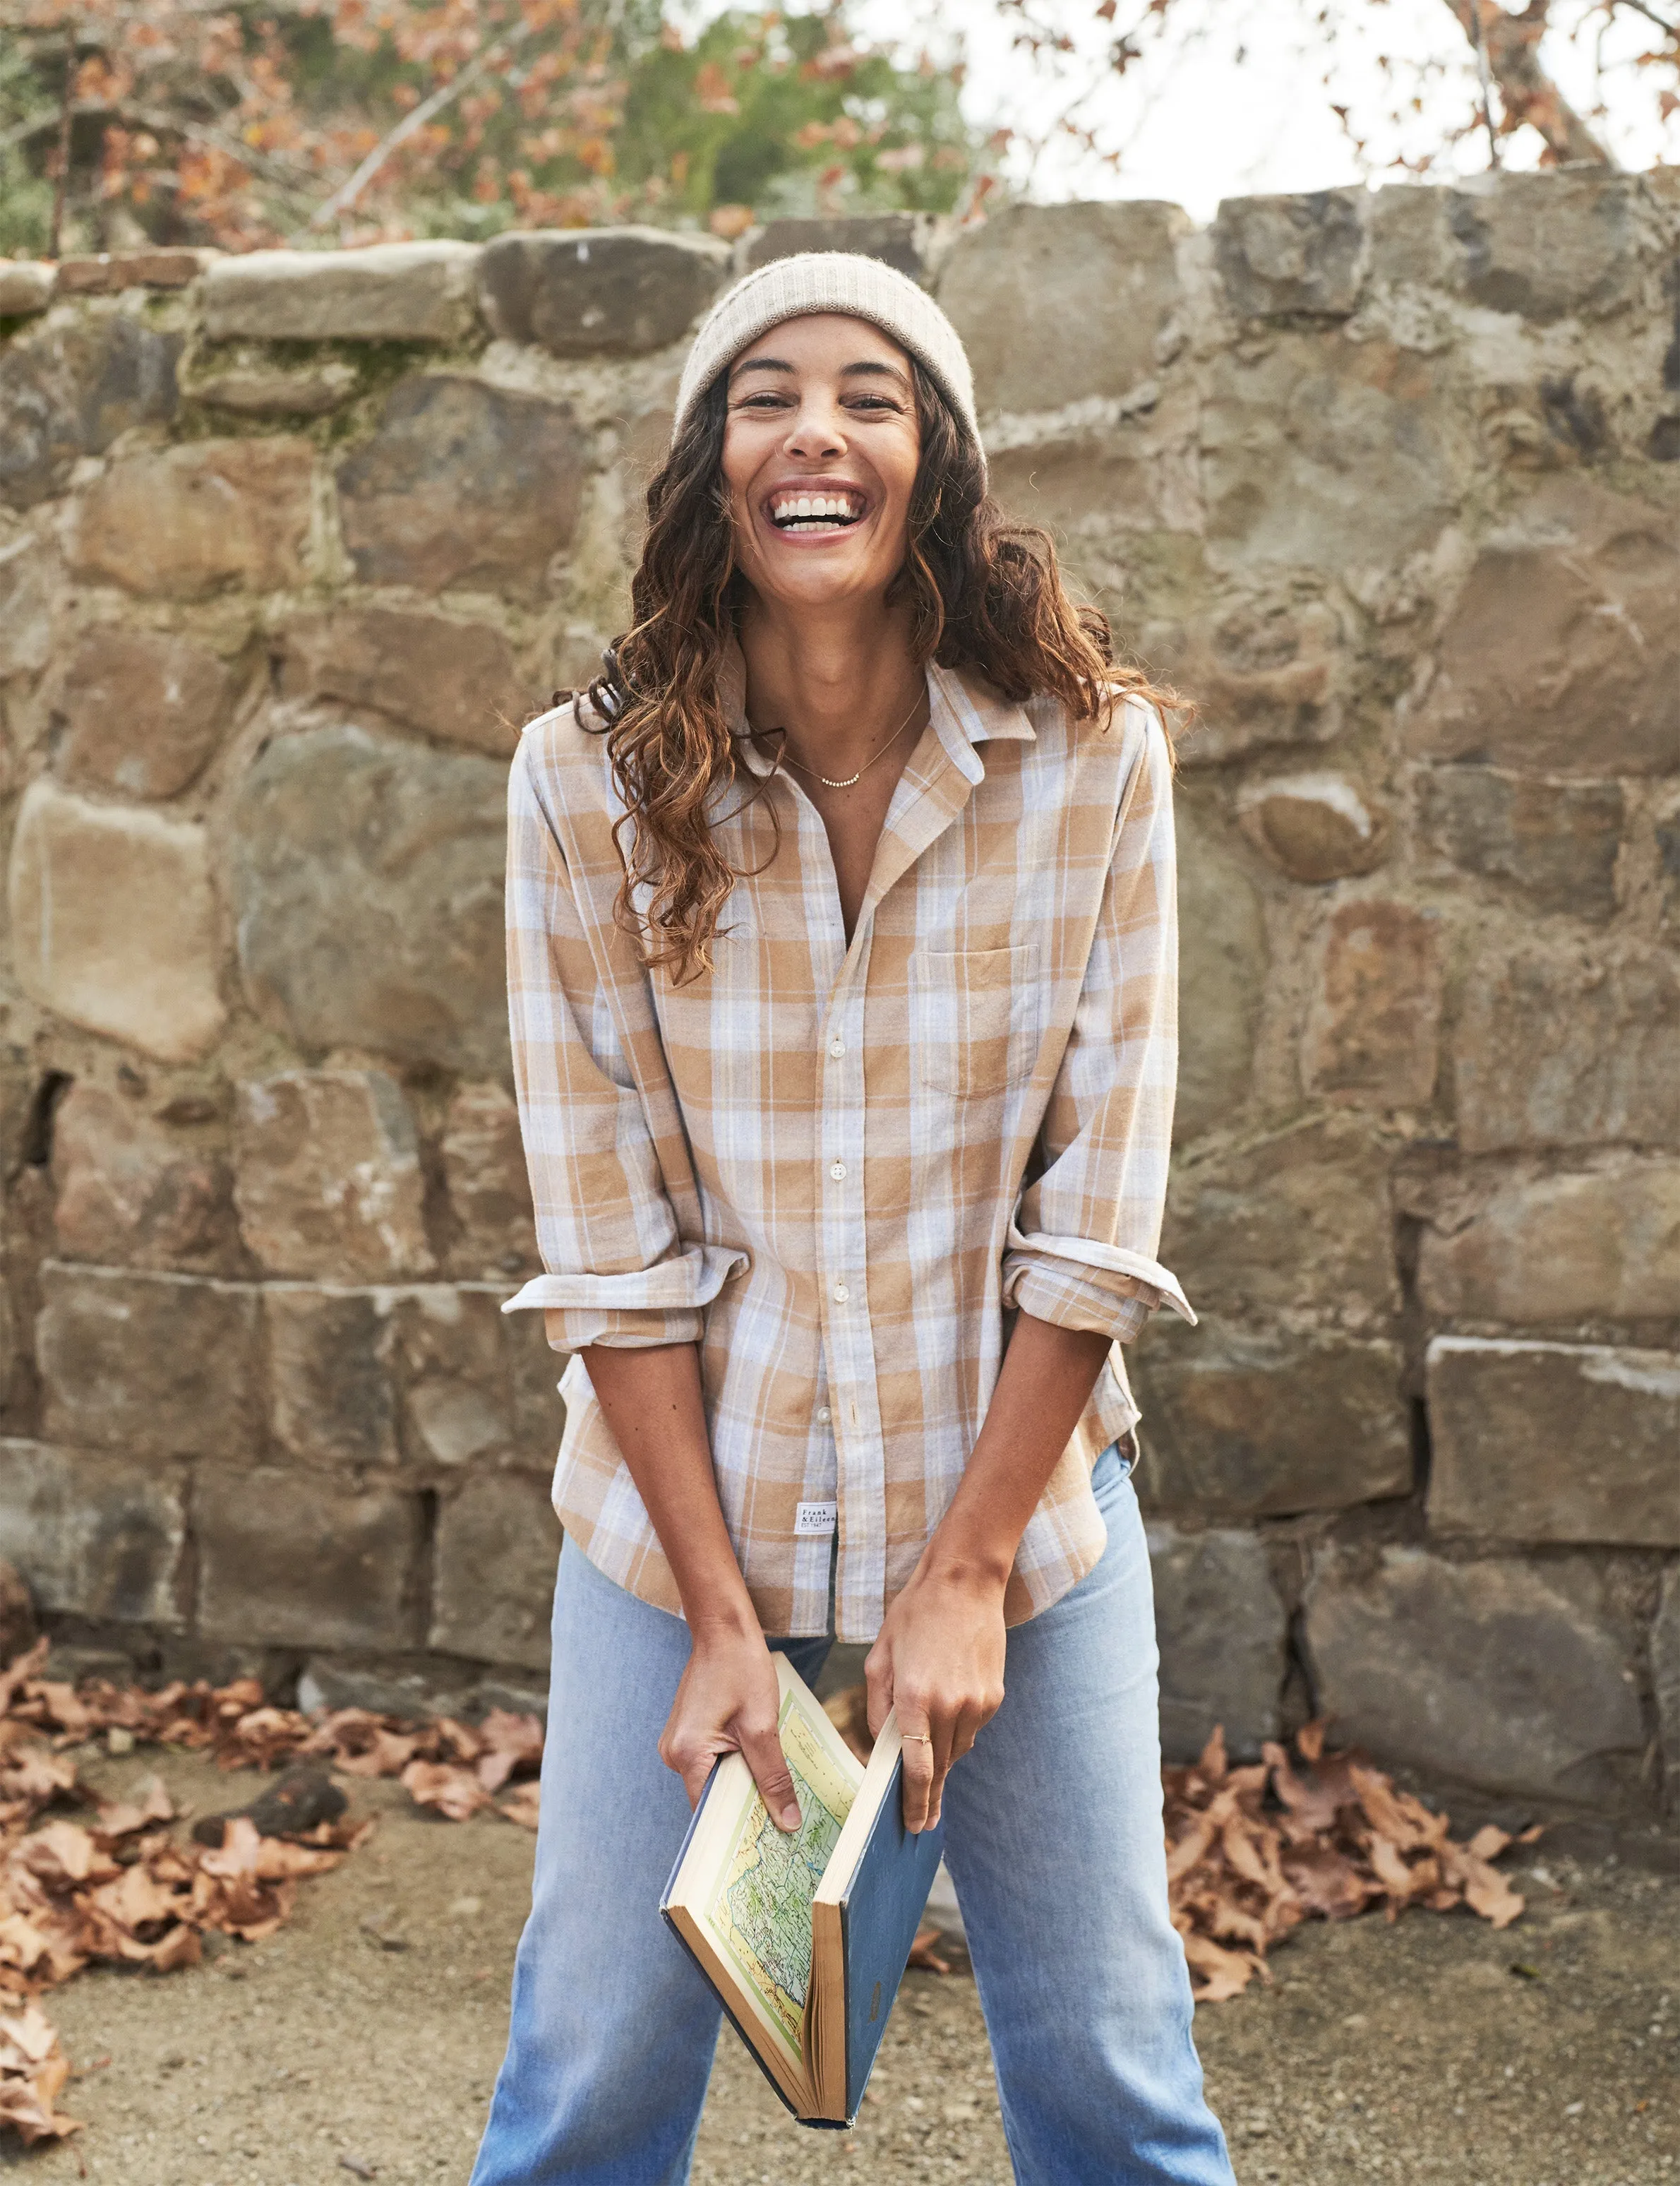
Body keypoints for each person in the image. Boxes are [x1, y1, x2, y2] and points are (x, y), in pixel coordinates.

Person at [471, 251, 1235, 2186]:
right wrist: (724, 1624)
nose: (817, 428)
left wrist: (965, 1573)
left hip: (1020, 1529)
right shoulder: (580, 784)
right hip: (676, 1542)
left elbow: (1095, 1220)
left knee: (1117, 2082)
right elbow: (606, 1243)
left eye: (871, 395)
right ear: (707, 469)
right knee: (585, 2085)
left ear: (935, 467)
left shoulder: (1091, 766)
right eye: (766, 394)